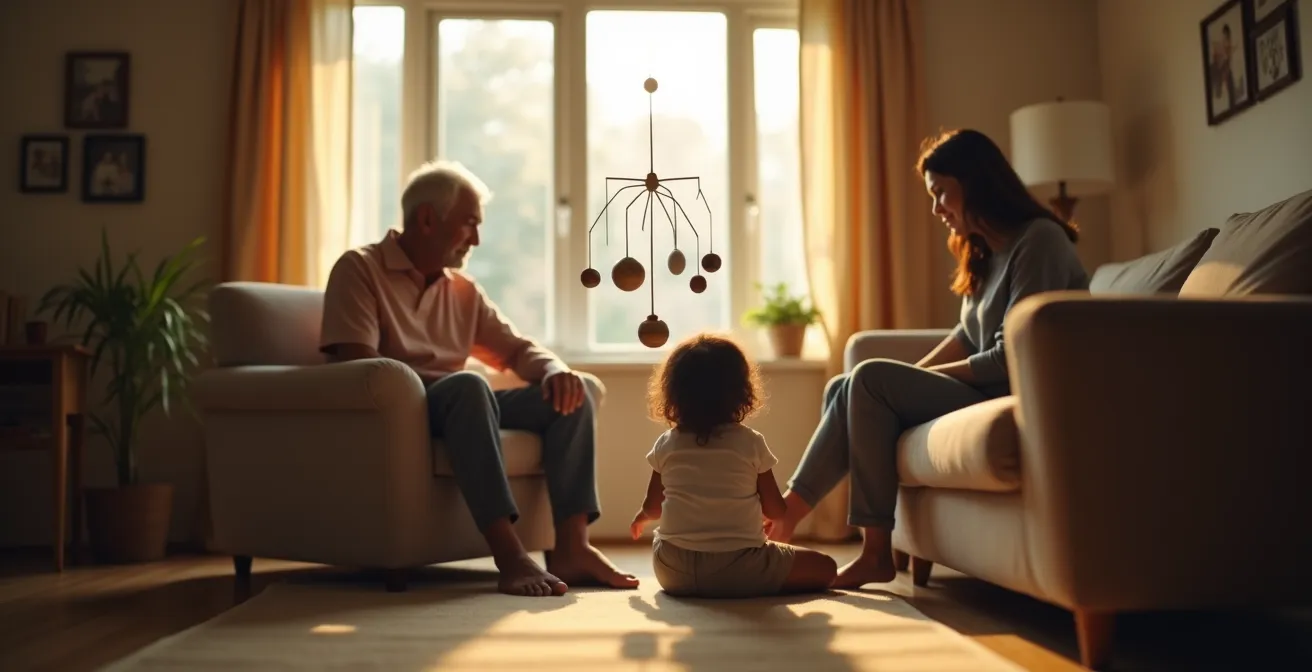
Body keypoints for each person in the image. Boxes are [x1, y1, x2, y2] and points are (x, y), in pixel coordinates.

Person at [765, 129, 1089, 589]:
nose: (936, 208)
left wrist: (895, 381)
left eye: (941, 193)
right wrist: (905, 379)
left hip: (1014, 389)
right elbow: (966, 335)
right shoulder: (985, 250)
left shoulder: (1040, 241)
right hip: (983, 388)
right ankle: (786, 514)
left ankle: (873, 553)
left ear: (975, 183)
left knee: (869, 379)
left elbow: (1010, 358)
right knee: (847, 385)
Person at [319, 159, 639, 597]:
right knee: (468, 385)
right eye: (469, 223)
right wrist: (434, 386)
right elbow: (358, 367)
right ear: (427, 219)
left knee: (574, 389)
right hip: (403, 413)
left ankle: (572, 548)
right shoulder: (359, 269)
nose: (477, 239)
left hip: (465, 407)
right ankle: (509, 555)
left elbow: (517, 350)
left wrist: (554, 369)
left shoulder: (463, 290)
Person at [630, 333, 839, 597]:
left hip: (673, 570)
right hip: (741, 568)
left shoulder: (666, 444)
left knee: (664, 543)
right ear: (742, 393)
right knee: (827, 567)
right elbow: (776, 511)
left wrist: (642, 517)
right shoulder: (751, 443)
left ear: (673, 393)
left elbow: (653, 507)